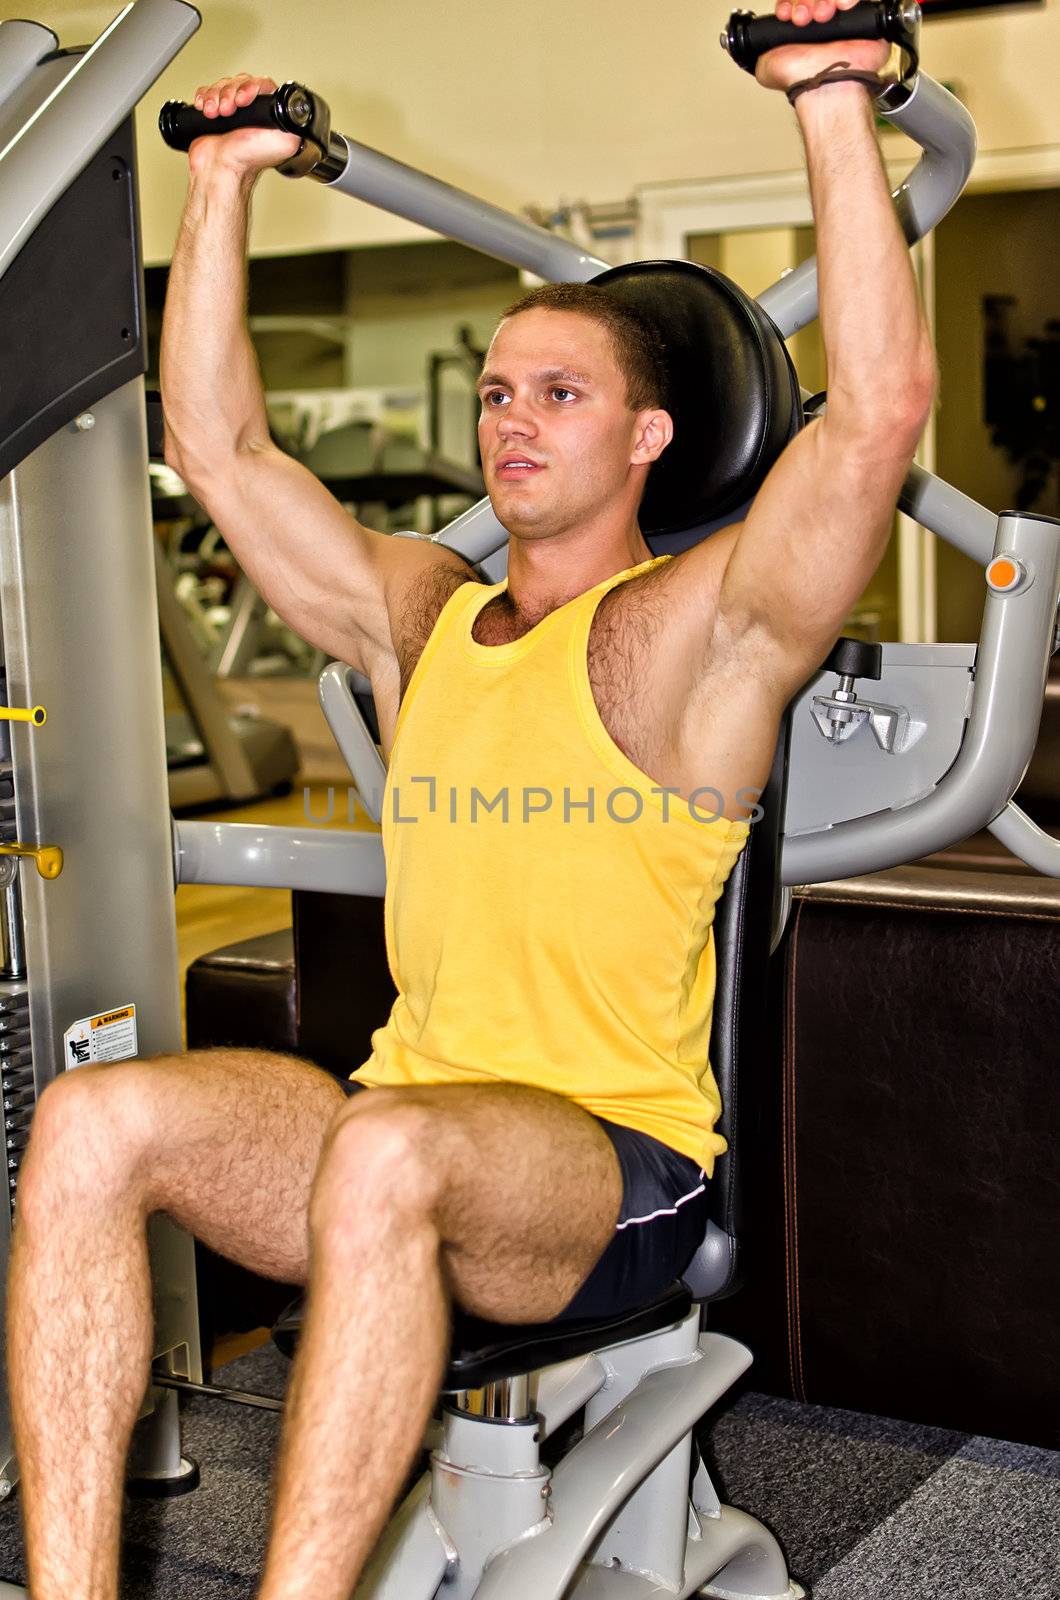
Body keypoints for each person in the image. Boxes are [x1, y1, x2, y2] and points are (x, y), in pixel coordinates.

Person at [6, 3, 936, 1596]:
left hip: (615, 1165)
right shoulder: (421, 614)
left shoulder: (692, 638)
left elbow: (871, 428)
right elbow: (218, 449)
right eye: (500, 392)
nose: (510, 417)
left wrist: (835, 98)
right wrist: (223, 183)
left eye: (559, 395)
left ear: (652, 435)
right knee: (94, 1123)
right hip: (403, 1121)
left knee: (388, 1156)